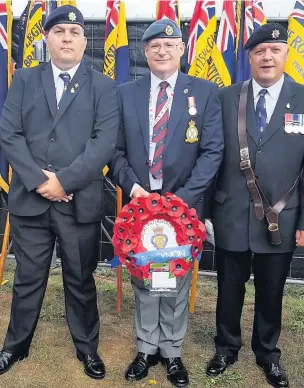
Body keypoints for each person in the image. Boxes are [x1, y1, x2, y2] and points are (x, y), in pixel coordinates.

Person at [0, 5, 118, 379]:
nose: (67, 37)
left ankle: (87, 349)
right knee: (27, 278)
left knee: (80, 279)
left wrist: (63, 182)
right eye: (59, 32)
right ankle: (14, 347)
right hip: (30, 202)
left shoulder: (102, 85)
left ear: (85, 41)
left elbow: (104, 143)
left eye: (74, 32)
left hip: (78, 203)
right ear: (46, 39)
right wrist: (40, 181)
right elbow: (10, 134)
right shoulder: (23, 81)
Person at [111, 19, 224, 388]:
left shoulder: (205, 93)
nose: (162, 51)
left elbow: (212, 152)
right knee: (146, 278)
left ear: (181, 50)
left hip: (182, 208)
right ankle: (146, 349)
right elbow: (115, 151)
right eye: (155, 45)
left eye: (169, 45)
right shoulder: (125, 93)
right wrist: (133, 188)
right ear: (145, 52)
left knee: (174, 278)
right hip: (141, 205)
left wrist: (182, 201)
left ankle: (172, 352)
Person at [207, 23, 304, 388]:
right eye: (259, 51)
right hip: (231, 212)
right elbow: (211, 156)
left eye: (274, 51)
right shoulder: (225, 97)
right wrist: (202, 214)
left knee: (272, 288)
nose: (267, 57)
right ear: (249, 57)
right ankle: (226, 348)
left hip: (282, 215)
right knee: (228, 287)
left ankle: (267, 353)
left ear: (286, 55)